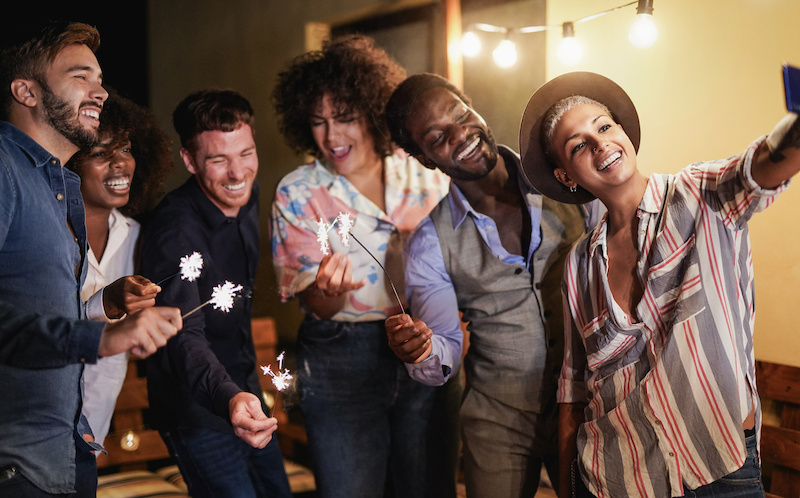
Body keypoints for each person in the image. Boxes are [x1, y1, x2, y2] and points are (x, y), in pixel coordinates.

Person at [519, 70, 800, 498]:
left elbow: (759, 168)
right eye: (579, 145)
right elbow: (574, 389)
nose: (601, 145)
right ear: (566, 177)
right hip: (617, 478)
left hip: (721, 469)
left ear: (624, 133)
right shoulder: (579, 263)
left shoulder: (698, 195)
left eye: (604, 126)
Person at [382, 72, 602, 498]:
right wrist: (422, 349)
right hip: (497, 420)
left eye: (460, 114)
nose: (461, 133)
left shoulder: (564, 178)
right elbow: (443, 346)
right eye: (437, 136)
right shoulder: (430, 241)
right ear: (425, 159)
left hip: (589, 403)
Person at [0, 20, 182, 496]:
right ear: (27, 91)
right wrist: (100, 338)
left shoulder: (57, 186)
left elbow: (40, 313)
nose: (100, 92)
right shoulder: (4, 169)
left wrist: (106, 309)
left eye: (99, 79)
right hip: (17, 464)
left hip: (69, 449)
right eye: (81, 76)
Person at [270, 36, 453, 498]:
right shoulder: (298, 192)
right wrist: (328, 291)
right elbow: (316, 304)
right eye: (318, 122)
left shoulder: (425, 174)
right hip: (338, 359)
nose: (331, 137)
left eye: (345, 118)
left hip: (426, 346)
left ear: (372, 111)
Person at [140, 88, 292, 498]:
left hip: (246, 391)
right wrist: (229, 397)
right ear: (189, 161)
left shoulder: (247, 193)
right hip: (197, 408)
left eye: (246, 153)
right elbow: (182, 334)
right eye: (218, 160)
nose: (237, 173)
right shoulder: (174, 232)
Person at [66, 88, 173, 448]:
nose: (120, 163)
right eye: (100, 153)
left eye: (125, 149)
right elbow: (35, 332)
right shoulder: (45, 236)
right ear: (69, 162)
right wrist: (106, 305)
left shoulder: (137, 238)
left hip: (95, 428)